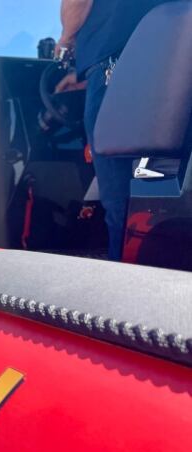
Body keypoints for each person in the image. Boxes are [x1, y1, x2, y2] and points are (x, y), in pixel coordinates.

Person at [55, 0, 170, 260]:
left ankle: (126, 283)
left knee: (122, 196)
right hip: (169, 59)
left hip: (119, 67)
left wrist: (66, 38)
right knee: (159, 187)